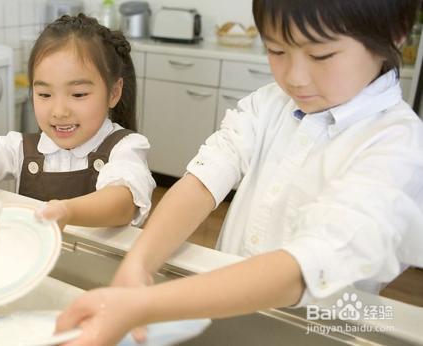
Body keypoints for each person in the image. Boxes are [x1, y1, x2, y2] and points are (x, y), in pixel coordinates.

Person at [54, 0, 423, 345]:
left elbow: (305, 268)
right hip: (222, 309)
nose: (294, 77)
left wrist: (144, 305)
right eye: (276, 50)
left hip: (315, 330)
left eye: (321, 55)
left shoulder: (396, 146)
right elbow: (203, 180)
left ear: (394, 35)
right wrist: (138, 264)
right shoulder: (270, 104)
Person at [0, 14, 155, 228]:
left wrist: (68, 211)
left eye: (78, 94)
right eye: (44, 95)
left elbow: (124, 200)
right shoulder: (19, 149)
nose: (59, 111)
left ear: (114, 93)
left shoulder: (126, 147)